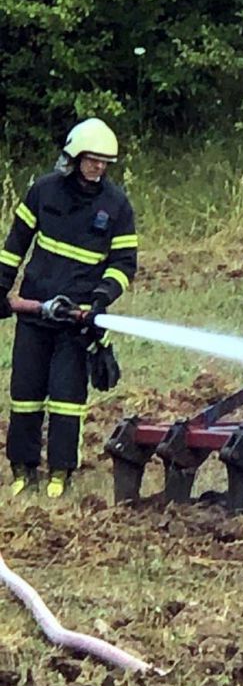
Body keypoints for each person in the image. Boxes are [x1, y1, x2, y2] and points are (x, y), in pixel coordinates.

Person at [0, 118, 138, 498]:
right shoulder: (43, 191)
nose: (98, 168)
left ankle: (61, 472)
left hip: (77, 319)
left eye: (105, 163)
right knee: (25, 393)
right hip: (34, 311)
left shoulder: (116, 205)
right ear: (74, 157)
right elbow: (16, 243)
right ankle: (22, 468)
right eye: (92, 160)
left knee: (66, 398)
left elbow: (125, 262)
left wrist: (100, 299)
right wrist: (1, 285)